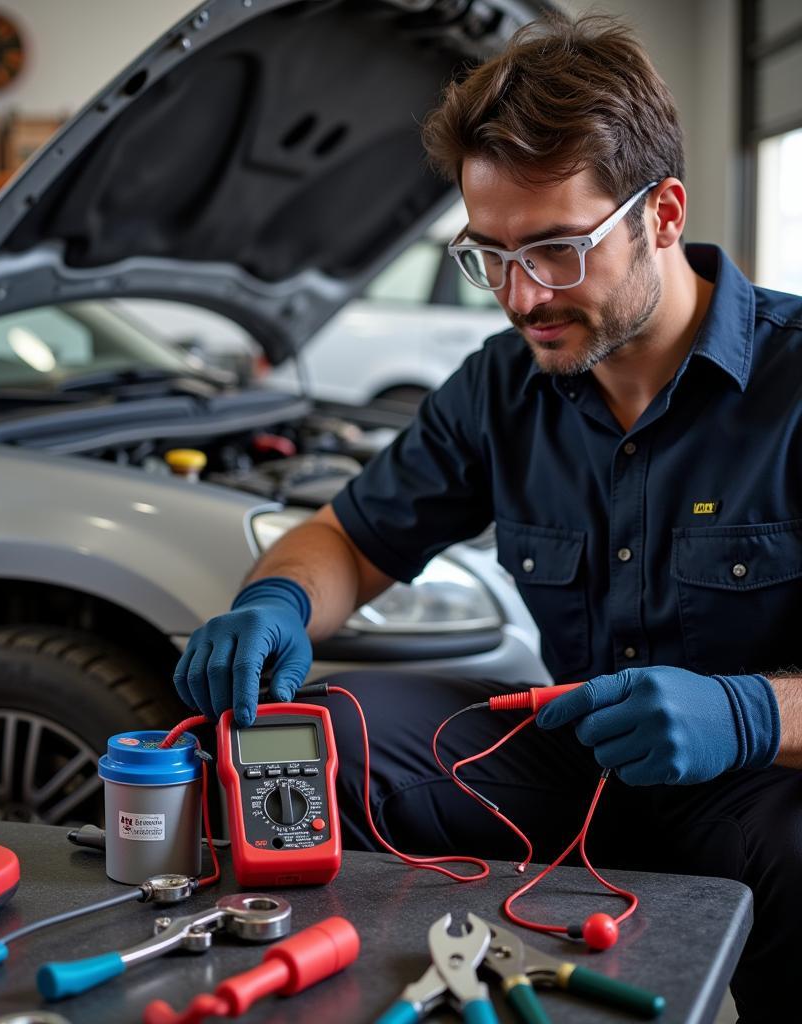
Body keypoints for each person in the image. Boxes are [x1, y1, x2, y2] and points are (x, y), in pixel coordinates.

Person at [172, 11, 802, 1020]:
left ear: (665, 213)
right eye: (489, 253)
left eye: (555, 249)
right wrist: (281, 600)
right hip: (581, 759)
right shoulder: (501, 387)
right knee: (317, 739)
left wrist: (750, 711)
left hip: (759, 789)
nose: (519, 296)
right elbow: (347, 538)